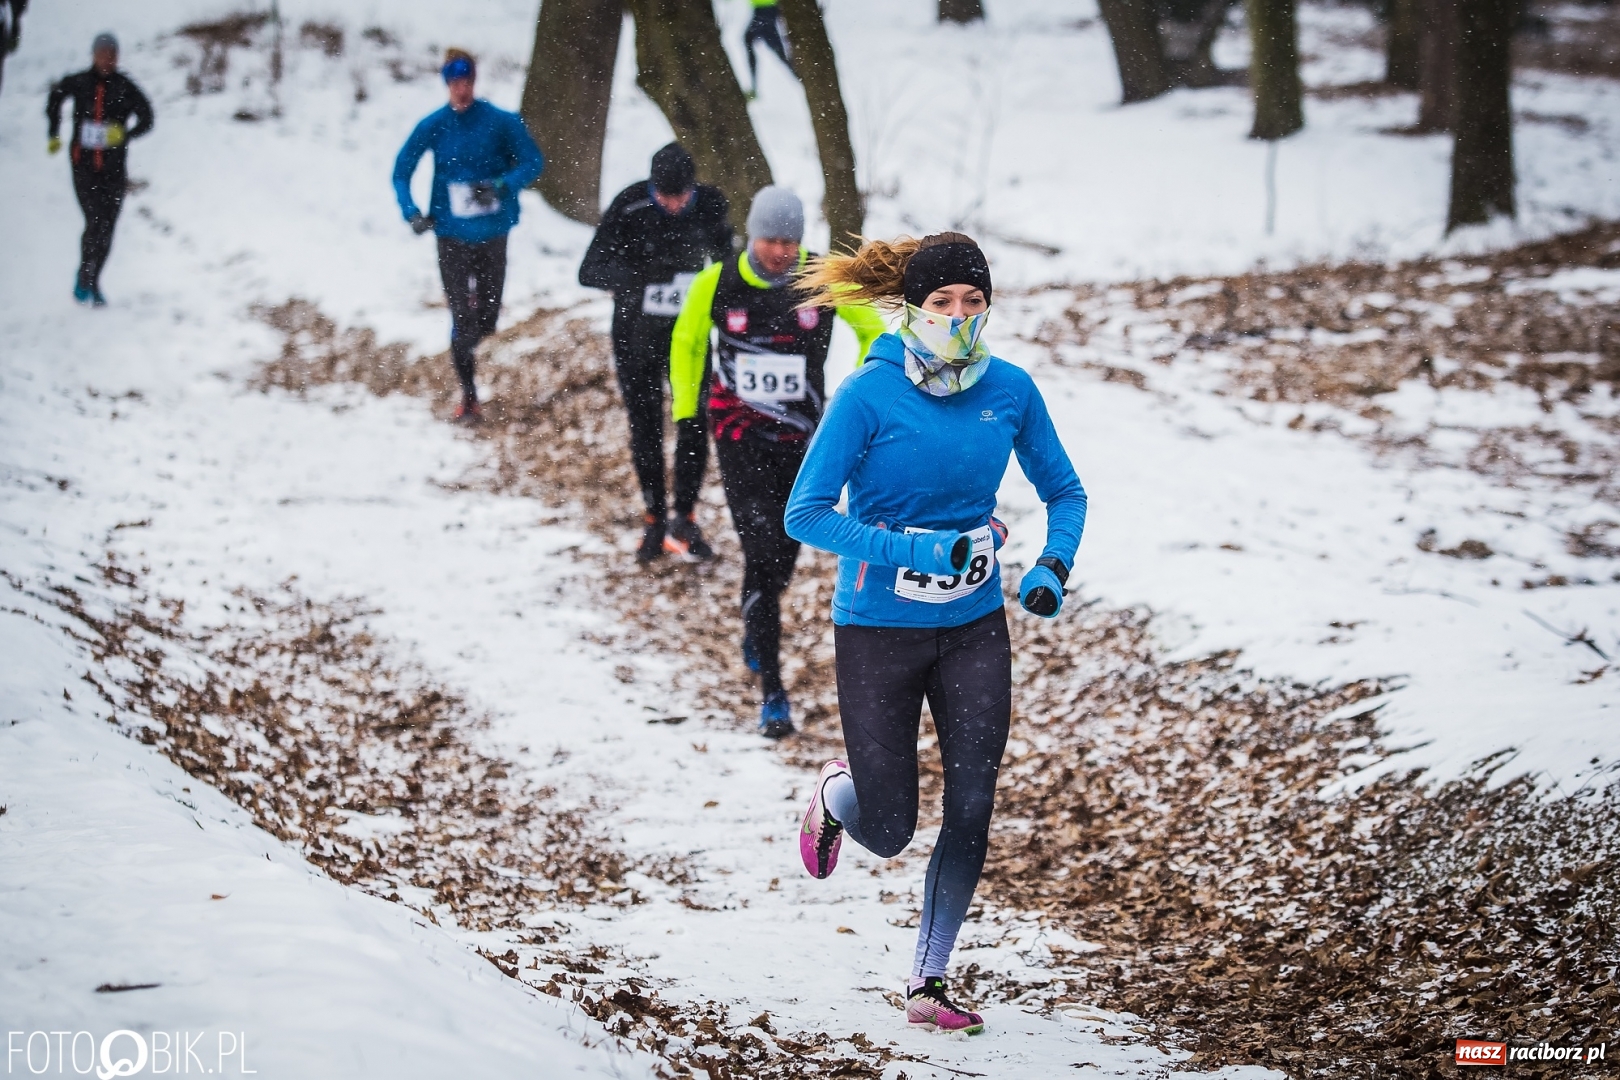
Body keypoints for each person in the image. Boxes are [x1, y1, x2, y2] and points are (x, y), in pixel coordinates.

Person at [783, 233, 1086, 1031]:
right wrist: (911, 549)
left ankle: (930, 979)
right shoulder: (867, 396)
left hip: (975, 627)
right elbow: (805, 513)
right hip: (878, 628)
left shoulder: (1010, 390)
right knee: (890, 829)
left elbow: (1066, 491)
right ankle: (836, 797)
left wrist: (1052, 567)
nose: (959, 316)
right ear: (912, 309)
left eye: (973, 302)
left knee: (974, 804)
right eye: (943, 303)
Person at [669, 187, 883, 737]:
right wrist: (689, 408)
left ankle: (755, 617)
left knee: (782, 555)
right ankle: (773, 692)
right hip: (737, 439)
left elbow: (875, 334)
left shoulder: (824, 280)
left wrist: (857, 397)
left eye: (790, 241)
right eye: (770, 240)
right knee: (761, 550)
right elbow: (688, 341)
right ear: (751, 235)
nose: (781, 252)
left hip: (803, 443)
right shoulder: (716, 282)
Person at [580, 143, 732, 563]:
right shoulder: (629, 205)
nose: (672, 205)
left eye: (680, 197)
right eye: (664, 197)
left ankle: (685, 517)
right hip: (635, 338)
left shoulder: (711, 205)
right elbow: (589, 269)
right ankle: (653, 519)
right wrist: (636, 278)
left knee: (693, 423)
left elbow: (728, 266)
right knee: (644, 427)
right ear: (651, 188)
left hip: (688, 338)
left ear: (692, 189)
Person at [393, 49, 544, 421]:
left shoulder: (501, 122)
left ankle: (476, 339)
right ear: (446, 83)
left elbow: (533, 162)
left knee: (487, 320)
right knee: (462, 319)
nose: (461, 89)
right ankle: (470, 395)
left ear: (475, 81)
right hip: (450, 235)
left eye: (467, 81)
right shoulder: (434, 125)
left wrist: (501, 186)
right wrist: (411, 212)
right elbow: (401, 171)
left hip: (493, 233)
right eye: (454, 82)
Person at [46, 32, 153, 306]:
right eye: (103, 53)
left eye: (112, 54)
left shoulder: (125, 87)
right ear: (93, 55)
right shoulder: (80, 82)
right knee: (95, 222)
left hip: (113, 170)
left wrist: (125, 134)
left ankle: (94, 280)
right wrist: (54, 132)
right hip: (83, 167)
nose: (107, 59)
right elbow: (56, 97)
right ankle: (85, 275)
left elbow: (148, 117)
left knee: (108, 227)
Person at [743, 0, 795, 99]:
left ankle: (802, 78)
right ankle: (802, 77)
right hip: (762, 9)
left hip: (767, 9)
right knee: (777, 49)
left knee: (777, 49)